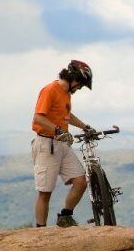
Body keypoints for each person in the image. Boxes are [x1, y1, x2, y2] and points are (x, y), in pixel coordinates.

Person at [31, 60, 95, 228]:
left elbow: (67, 115)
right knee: (45, 193)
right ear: (73, 78)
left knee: (81, 181)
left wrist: (84, 126)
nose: (79, 89)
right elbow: (38, 118)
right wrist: (59, 131)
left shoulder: (66, 93)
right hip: (46, 144)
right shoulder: (50, 90)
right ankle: (41, 231)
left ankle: (65, 216)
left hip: (61, 144)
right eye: (80, 85)